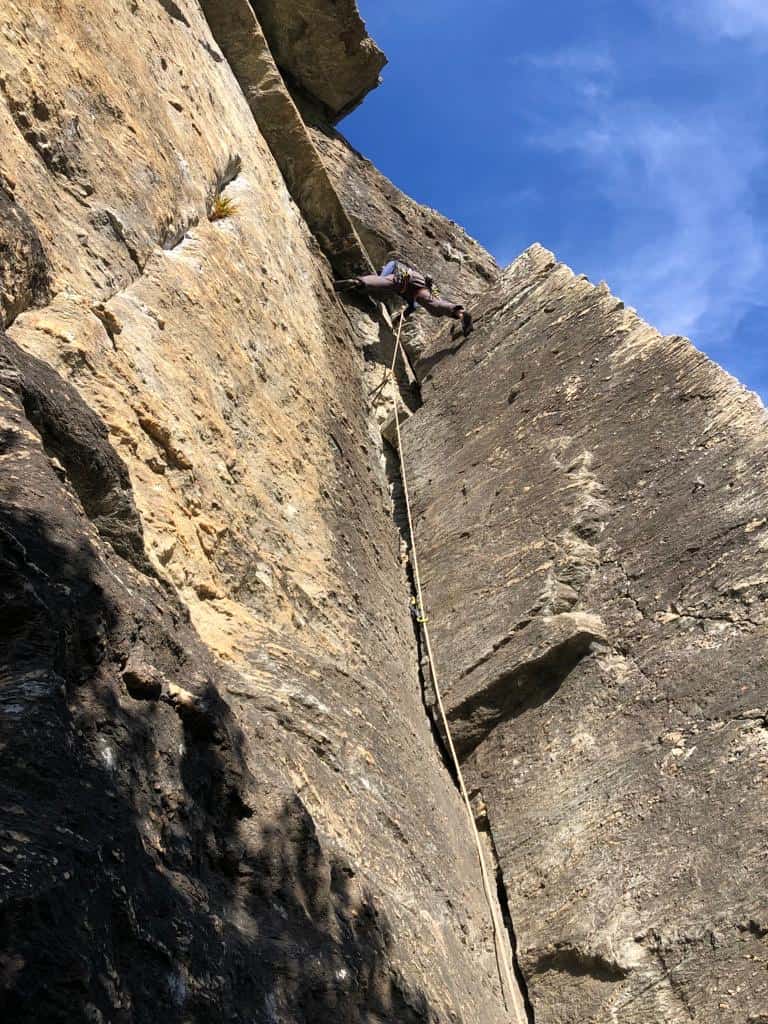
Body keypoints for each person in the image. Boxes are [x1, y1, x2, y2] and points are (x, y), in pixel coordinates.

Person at [334, 256, 473, 337]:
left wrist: (379, 279)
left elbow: (385, 275)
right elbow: (411, 308)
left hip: (407, 277)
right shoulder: (413, 300)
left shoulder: (392, 264)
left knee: (384, 281)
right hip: (419, 287)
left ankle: (357, 282)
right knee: (433, 306)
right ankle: (460, 314)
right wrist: (399, 320)